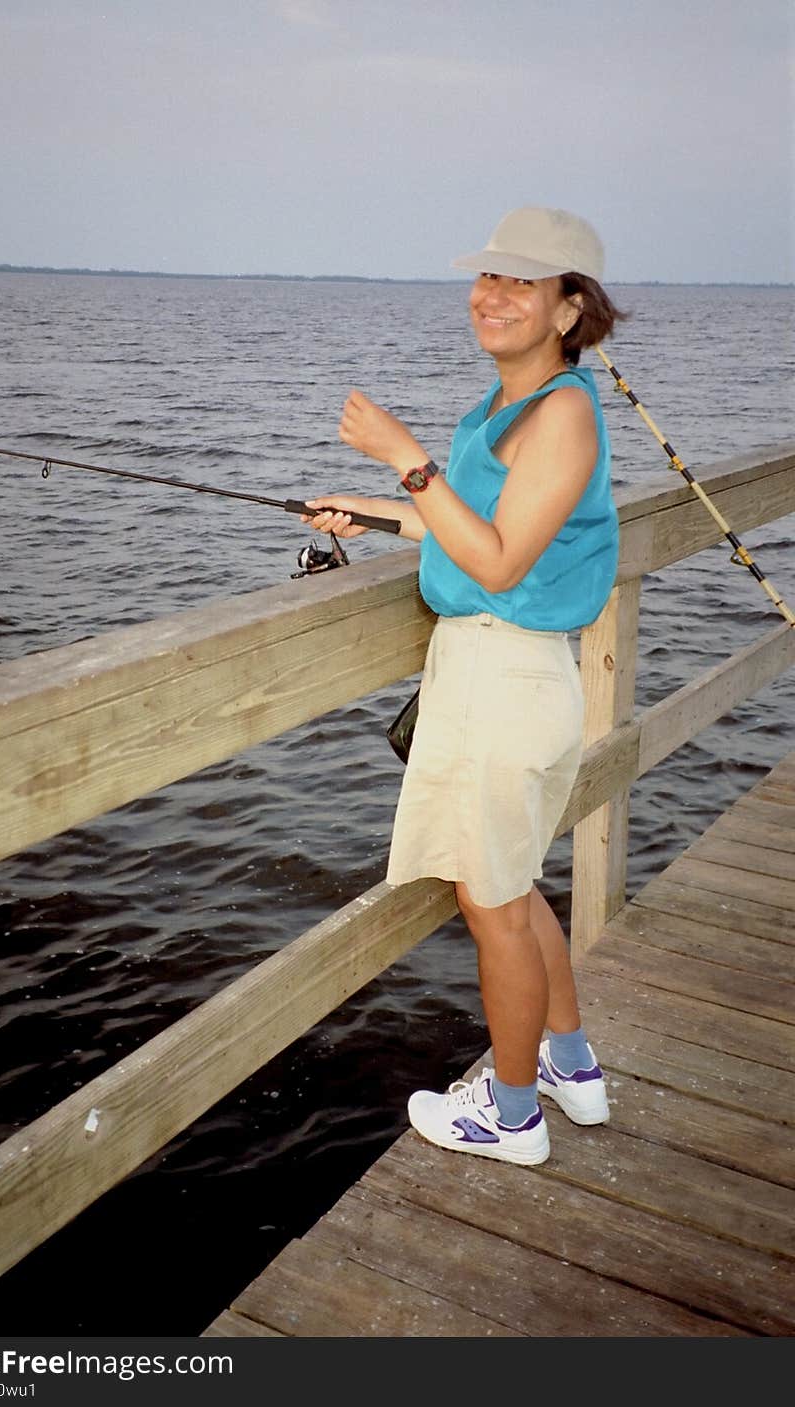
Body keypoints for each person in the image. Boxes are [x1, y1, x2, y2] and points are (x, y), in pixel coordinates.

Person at [303, 206, 625, 1166]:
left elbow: (496, 559)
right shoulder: (505, 411)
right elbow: (479, 532)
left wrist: (404, 459)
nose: (492, 296)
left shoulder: (564, 412)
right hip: (490, 669)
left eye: (522, 283)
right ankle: (571, 1065)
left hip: (505, 678)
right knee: (514, 888)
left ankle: (514, 1114)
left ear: (570, 310)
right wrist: (386, 508)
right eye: (487, 279)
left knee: (494, 907)